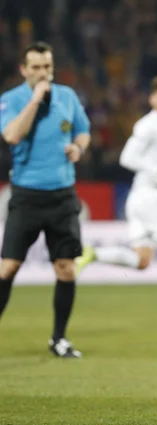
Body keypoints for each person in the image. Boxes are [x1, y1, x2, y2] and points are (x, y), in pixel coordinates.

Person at [74, 74, 157, 329]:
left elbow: (154, 167)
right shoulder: (149, 125)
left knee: (142, 260)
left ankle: (93, 253)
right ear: (152, 98)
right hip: (152, 197)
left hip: (142, 195)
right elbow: (127, 157)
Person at [0, 41, 90, 357]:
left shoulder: (67, 96)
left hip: (63, 196)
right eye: (36, 67)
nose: (43, 73)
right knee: (7, 267)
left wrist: (79, 148)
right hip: (26, 196)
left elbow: (82, 131)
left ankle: (59, 339)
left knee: (66, 268)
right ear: (24, 69)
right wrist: (36, 99)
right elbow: (11, 136)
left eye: (47, 67)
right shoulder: (10, 100)